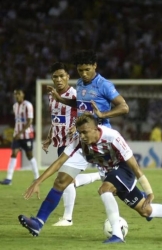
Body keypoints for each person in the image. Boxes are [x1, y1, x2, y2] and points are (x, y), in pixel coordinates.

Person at [18, 114, 162, 244]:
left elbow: (135, 165)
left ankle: (118, 236)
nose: (82, 136)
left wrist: (150, 191)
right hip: (109, 173)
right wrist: (38, 181)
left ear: (96, 129)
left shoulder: (112, 137)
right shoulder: (79, 141)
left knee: (104, 189)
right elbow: (59, 163)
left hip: (124, 170)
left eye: (85, 132)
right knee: (146, 211)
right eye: (80, 132)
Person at [42, 62, 102, 226]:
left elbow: (86, 114)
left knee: (63, 180)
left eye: (62, 76)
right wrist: (49, 137)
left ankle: (68, 218)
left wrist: (76, 126)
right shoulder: (51, 96)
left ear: (68, 76)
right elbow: (55, 119)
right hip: (60, 142)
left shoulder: (76, 94)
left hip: (74, 142)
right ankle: (100, 175)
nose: (59, 79)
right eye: (55, 76)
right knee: (67, 179)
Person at [47, 49, 129, 126]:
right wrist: (59, 99)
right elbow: (79, 104)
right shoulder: (79, 82)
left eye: (87, 69)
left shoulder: (104, 84)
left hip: (100, 132)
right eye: (80, 70)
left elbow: (124, 107)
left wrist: (102, 115)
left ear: (95, 65)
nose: (84, 74)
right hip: (84, 134)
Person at [0, 89, 39, 185]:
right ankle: (9, 179)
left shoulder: (28, 105)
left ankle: (37, 178)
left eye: (19, 94)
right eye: (15, 94)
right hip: (17, 135)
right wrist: (16, 132)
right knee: (13, 154)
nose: (17, 96)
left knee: (29, 155)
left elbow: (30, 121)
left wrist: (20, 133)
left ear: (23, 95)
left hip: (27, 135)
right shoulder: (15, 106)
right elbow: (18, 121)